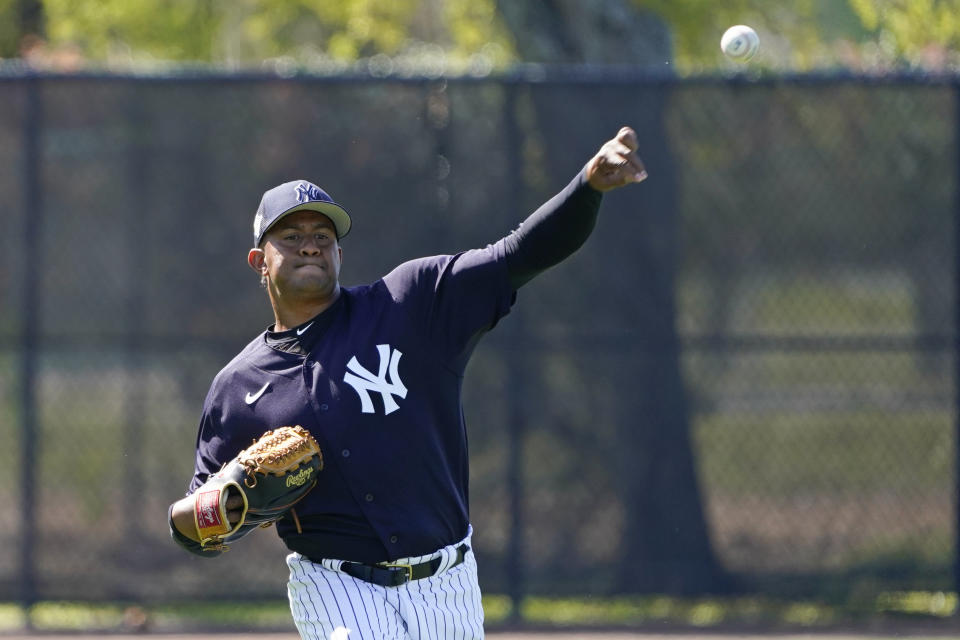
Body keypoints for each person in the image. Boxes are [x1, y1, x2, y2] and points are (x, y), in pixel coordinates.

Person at [168, 126, 647, 639]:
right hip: (335, 587)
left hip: (447, 581)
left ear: (339, 254)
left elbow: (517, 256)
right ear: (259, 262)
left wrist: (587, 187)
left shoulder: (408, 306)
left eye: (322, 238)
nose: (310, 247)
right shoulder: (239, 385)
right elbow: (199, 526)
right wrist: (222, 506)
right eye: (291, 237)